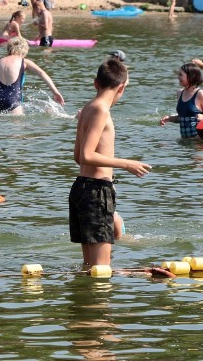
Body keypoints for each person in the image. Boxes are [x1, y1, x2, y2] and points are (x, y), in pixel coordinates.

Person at [72, 59, 151, 267]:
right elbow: (87, 155)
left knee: (90, 268)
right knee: (101, 271)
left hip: (82, 188)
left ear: (95, 82)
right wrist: (126, 164)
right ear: (122, 87)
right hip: (96, 192)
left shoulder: (88, 107)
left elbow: (78, 156)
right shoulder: (101, 110)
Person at [0, 36, 65, 115]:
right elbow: (42, 73)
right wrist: (55, 92)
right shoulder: (24, 61)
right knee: (18, 127)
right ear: (23, 50)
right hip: (13, 101)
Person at [159, 63, 203, 138]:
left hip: (199, 142)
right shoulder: (179, 93)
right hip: (184, 142)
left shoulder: (201, 94)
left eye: (180, 75)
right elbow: (182, 117)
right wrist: (169, 118)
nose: (178, 77)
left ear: (191, 76)